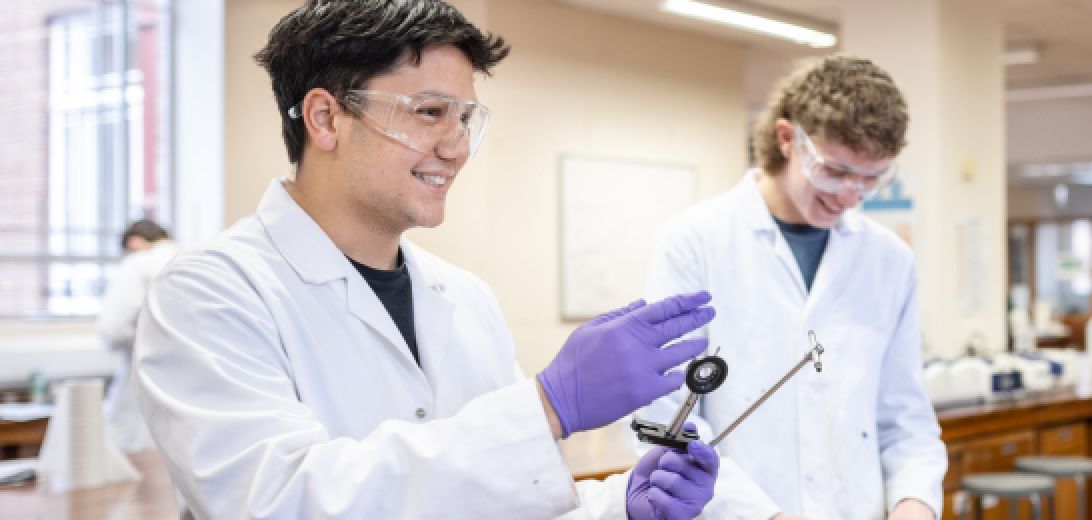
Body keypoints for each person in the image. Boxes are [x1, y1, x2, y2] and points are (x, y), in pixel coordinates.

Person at [134, 1, 717, 517]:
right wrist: (546, 406)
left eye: (465, 118)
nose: (457, 147)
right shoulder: (210, 293)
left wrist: (620, 508)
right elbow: (276, 502)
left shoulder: (464, 297)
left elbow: (496, 498)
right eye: (430, 113)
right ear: (325, 118)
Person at [638, 55, 946, 519]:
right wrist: (766, 515)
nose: (848, 195)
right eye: (835, 171)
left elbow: (905, 419)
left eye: (870, 180)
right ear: (787, 139)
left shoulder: (889, 260)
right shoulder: (697, 242)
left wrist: (914, 503)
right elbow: (667, 416)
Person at [96, 220, 178, 452]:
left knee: (136, 468)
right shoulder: (201, 259)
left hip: (143, 385)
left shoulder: (139, 264)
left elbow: (113, 329)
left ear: (134, 243)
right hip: (196, 392)